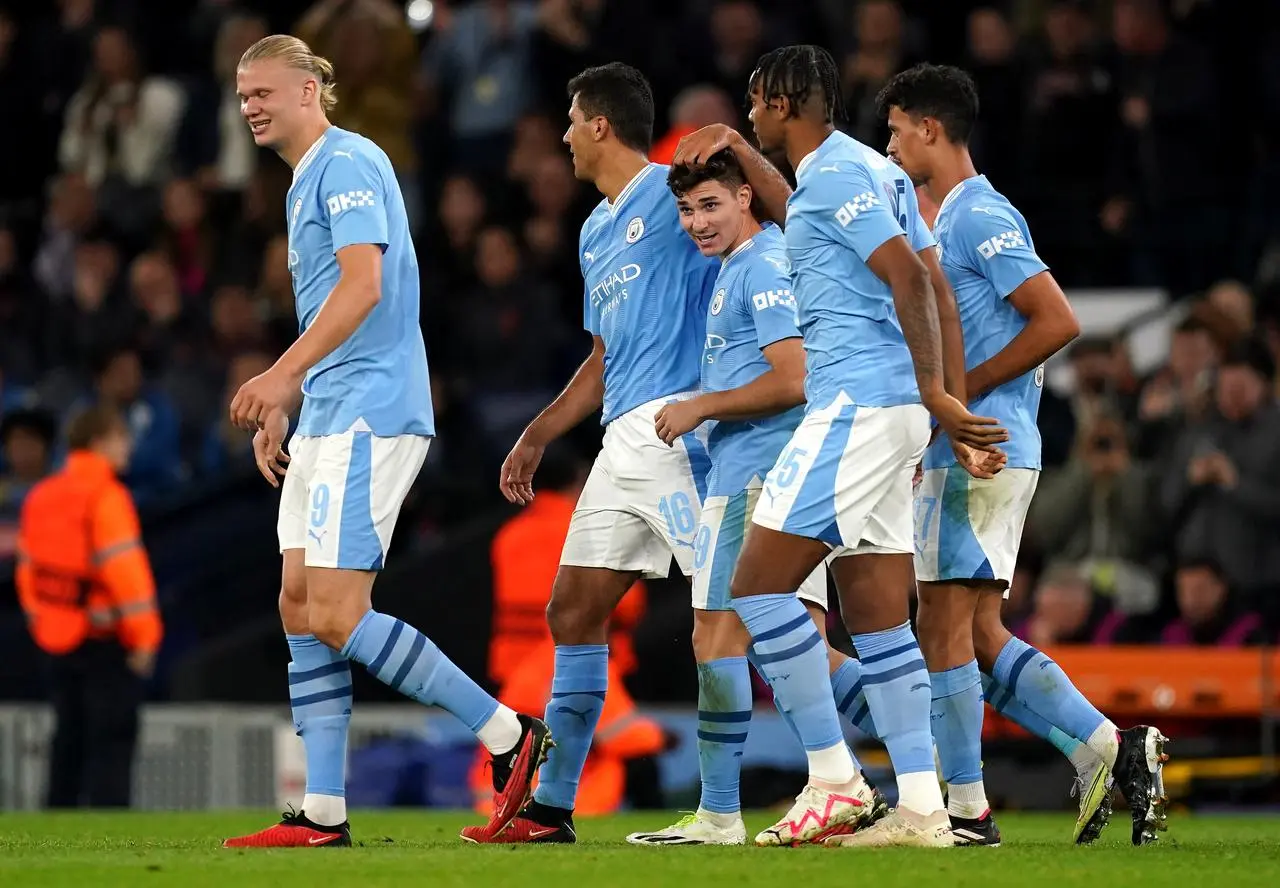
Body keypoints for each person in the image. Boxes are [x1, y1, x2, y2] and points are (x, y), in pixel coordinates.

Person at [673, 45, 1007, 848]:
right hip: (890, 410)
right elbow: (894, 259)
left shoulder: (841, 176)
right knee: (876, 614)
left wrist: (938, 398)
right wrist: (940, 404)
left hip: (856, 402)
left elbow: (913, 280)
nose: (749, 115)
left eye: (755, 105)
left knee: (756, 588)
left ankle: (835, 779)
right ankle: (926, 809)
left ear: (783, 102)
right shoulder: (864, 173)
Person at [221, 34, 549, 849]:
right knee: (298, 604)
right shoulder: (304, 182)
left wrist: (277, 376)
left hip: (370, 413)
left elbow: (365, 287)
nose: (250, 106)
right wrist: (291, 398)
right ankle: (322, 811)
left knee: (336, 609)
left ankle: (507, 732)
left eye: (263, 91)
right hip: (331, 408)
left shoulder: (349, 162)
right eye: (241, 95)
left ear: (310, 89)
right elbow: (333, 308)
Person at [877, 62, 1169, 847]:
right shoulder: (959, 218)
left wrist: (957, 394)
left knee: (941, 627)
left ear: (930, 129)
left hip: (983, 445)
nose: (893, 142)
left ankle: (966, 810)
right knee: (973, 633)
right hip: (990, 442)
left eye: (899, 128)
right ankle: (1110, 748)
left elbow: (1056, 319)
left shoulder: (979, 214)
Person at [460, 62, 720, 845]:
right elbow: (605, 356)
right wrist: (541, 430)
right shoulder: (595, 229)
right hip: (620, 443)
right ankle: (551, 807)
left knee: (754, 621)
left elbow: (758, 227)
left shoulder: (674, 194)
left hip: (681, 436)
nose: (564, 138)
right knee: (571, 611)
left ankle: (873, 777)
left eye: (572, 122)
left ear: (600, 123)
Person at [625, 149, 875, 846]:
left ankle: (722, 814)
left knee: (716, 635)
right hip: (771, 473)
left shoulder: (762, 265)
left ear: (745, 197)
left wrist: (703, 406)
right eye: (685, 210)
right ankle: (926, 762)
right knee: (795, 651)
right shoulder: (740, 266)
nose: (697, 222)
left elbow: (794, 378)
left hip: (758, 477)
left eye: (710, 205)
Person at [15, 405, 161, 808]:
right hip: (104, 640)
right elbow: (127, 578)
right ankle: (108, 824)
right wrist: (145, 639)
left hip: (56, 639)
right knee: (111, 739)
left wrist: (41, 621)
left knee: (67, 737)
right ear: (99, 442)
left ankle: (57, 817)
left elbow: (28, 572)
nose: (127, 446)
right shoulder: (106, 496)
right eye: (120, 438)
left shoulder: (41, 496)